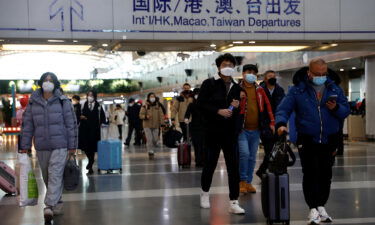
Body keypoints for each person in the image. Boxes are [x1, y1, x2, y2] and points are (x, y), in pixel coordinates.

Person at [276, 59, 350, 225]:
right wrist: (281, 124)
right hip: (307, 138)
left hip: (330, 138)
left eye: (324, 73)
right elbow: (283, 109)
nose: (321, 76)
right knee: (310, 173)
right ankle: (312, 208)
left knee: (325, 174)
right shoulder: (297, 91)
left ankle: (321, 206)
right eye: (317, 74)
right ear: (309, 73)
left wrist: (336, 108)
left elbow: (345, 111)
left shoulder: (334, 89)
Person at [19, 72, 77, 223]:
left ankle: (49, 206)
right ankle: (57, 203)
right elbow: (27, 125)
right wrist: (24, 146)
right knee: (47, 176)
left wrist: (72, 146)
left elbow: (71, 125)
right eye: (45, 80)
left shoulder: (63, 101)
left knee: (55, 174)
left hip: (60, 145)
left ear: (56, 83)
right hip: (42, 146)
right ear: (41, 82)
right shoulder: (33, 102)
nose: (48, 82)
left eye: (51, 80)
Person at [198, 53, 244, 214]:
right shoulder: (209, 84)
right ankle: (204, 193)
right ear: (218, 67)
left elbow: (236, 111)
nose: (227, 67)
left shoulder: (237, 87)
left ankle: (234, 201)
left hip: (230, 133)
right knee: (210, 164)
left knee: (233, 167)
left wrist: (234, 110)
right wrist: (218, 111)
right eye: (224, 64)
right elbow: (201, 105)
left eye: (231, 65)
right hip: (212, 132)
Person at [237, 64, 275, 194]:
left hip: (256, 129)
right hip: (241, 129)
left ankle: (248, 182)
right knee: (244, 154)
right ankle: (241, 181)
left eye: (254, 72)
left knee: (252, 157)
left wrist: (272, 121)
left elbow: (267, 105)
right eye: (249, 71)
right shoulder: (237, 89)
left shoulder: (260, 90)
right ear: (243, 74)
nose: (251, 74)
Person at [256, 70, 285, 177]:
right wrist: (266, 125)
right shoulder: (259, 91)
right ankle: (264, 171)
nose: (272, 78)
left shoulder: (280, 90)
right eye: (269, 76)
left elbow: (283, 108)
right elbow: (260, 110)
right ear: (265, 79)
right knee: (269, 150)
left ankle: (264, 171)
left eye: (274, 76)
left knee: (275, 150)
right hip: (265, 126)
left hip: (278, 125)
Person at [79, 90, 106, 175]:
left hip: (95, 130)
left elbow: (103, 117)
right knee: (86, 148)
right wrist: (81, 117)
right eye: (88, 95)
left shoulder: (98, 105)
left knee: (92, 147)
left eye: (91, 95)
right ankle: (91, 160)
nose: (90, 96)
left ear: (94, 96)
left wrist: (99, 123)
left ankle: (90, 165)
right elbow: (78, 114)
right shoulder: (83, 104)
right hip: (84, 129)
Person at [139, 93, 164, 158]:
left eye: (153, 96)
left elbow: (161, 115)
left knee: (155, 140)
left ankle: (152, 149)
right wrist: (146, 116)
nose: (152, 98)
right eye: (151, 97)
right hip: (147, 125)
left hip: (156, 125)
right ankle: (150, 151)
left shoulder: (158, 106)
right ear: (148, 98)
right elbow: (140, 115)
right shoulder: (145, 106)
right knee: (149, 139)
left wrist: (162, 124)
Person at [184, 88, 205, 167]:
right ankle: (198, 161)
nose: (197, 95)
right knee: (197, 145)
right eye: (196, 94)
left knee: (203, 145)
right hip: (195, 127)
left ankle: (203, 160)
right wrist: (186, 118)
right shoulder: (191, 105)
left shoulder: (205, 104)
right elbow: (187, 113)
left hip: (204, 127)